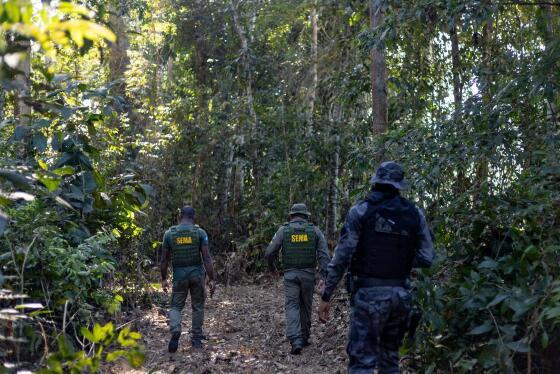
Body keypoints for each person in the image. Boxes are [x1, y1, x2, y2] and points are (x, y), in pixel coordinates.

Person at [318, 161, 435, 373]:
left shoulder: (361, 211)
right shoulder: (414, 214)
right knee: (390, 360)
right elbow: (427, 257)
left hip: (368, 296)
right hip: (400, 297)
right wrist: (401, 258)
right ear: (399, 186)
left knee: (362, 361)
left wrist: (327, 294)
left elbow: (343, 255)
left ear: (376, 183)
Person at [265, 203, 331, 355]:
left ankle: (296, 340)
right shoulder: (315, 231)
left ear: (291, 216)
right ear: (306, 216)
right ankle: (304, 337)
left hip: (290, 275)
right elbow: (324, 255)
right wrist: (323, 276)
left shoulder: (284, 230)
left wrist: (272, 269)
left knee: (292, 305)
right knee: (306, 305)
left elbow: (269, 253)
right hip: (308, 275)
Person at [160, 205, 216, 353]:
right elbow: (207, 258)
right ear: (193, 217)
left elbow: (164, 260)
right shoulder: (200, 233)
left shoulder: (169, 234)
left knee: (176, 307)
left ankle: (176, 329)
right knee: (197, 306)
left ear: (180, 216)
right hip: (197, 276)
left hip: (179, 277)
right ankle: (196, 339)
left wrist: (164, 278)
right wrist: (211, 279)